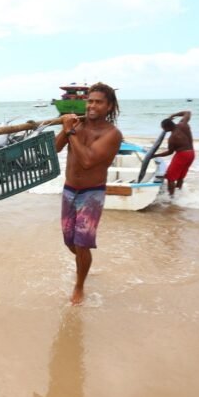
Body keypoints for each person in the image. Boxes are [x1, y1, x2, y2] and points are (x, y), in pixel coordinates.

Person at [54, 82, 122, 305]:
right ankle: (85, 264)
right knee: (69, 242)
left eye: (98, 102)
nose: (92, 105)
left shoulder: (112, 134)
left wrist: (70, 130)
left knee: (82, 243)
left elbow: (87, 160)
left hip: (91, 194)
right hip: (69, 189)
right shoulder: (77, 125)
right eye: (90, 101)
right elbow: (55, 148)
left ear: (109, 106)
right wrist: (66, 128)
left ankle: (79, 285)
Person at [150, 111, 195, 197]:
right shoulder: (183, 124)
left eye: (163, 128)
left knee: (170, 177)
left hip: (182, 155)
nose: (164, 130)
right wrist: (173, 115)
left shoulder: (172, 138)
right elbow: (187, 112)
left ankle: (172, 198)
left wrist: (155, 155)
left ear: (167, 127)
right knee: (181, 176)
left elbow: (170, 152)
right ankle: (179, 194)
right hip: (191, 154)